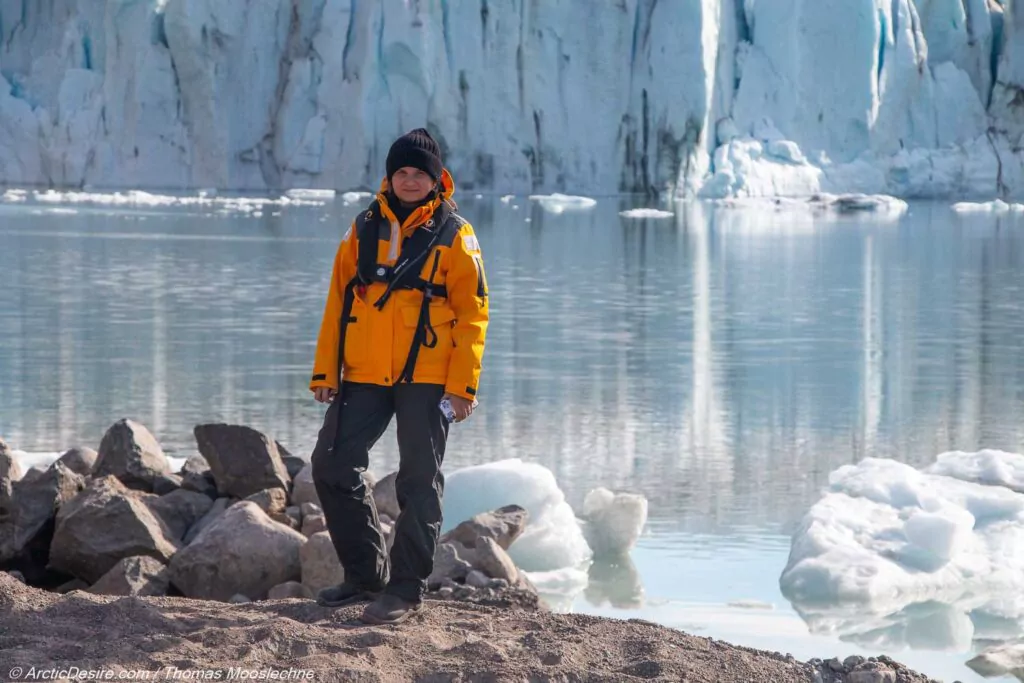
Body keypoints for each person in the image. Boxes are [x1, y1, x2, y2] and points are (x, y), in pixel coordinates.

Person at [308, 128, 489, 625]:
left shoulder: (456, 234)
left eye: (419, 173)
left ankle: (405, 589)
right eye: (401, 172)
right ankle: (365, 576)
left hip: (427, 375)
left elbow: (474, 314)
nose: (409, 180)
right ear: (389, 177)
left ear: (436, 180)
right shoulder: (363, 227)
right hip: (363, 371)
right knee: (331, 464)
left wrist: (462, 386)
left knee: (417, 482)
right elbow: (338, 299)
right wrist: (327, 371)